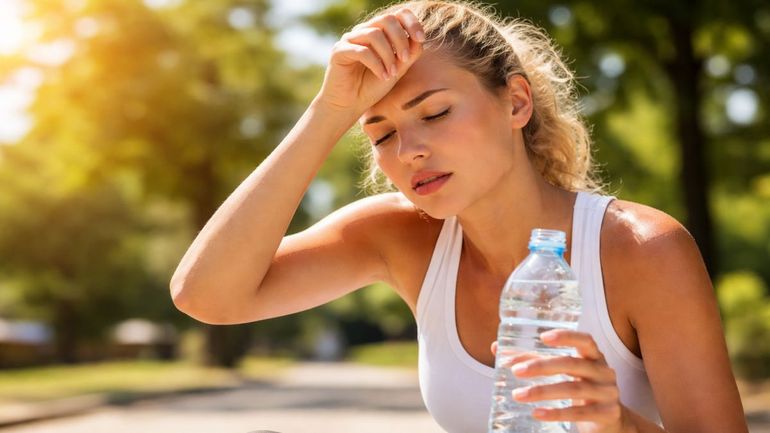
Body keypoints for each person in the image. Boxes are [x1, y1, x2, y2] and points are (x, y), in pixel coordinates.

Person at [169, 1, 749, 432]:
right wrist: (329, 112)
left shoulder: (640, 249)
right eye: (382, 133)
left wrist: (618, 424)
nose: (409, 150)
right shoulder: (398, 236)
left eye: (436, 112)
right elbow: (207, 296)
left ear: (516, 102)